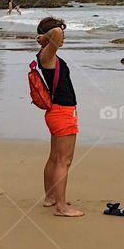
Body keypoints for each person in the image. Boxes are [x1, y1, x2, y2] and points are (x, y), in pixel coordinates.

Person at [36, 17, 83, 217]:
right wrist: (46, 35)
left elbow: (54, 33)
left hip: (57, 112)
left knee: (55, 157)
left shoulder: (47, 55)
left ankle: (50, 197)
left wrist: (46, 37)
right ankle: (62, 207)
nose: (63, 37)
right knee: (65, 160)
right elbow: (55, 32)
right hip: (62, 112)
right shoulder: (47, 55)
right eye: (62, 33)